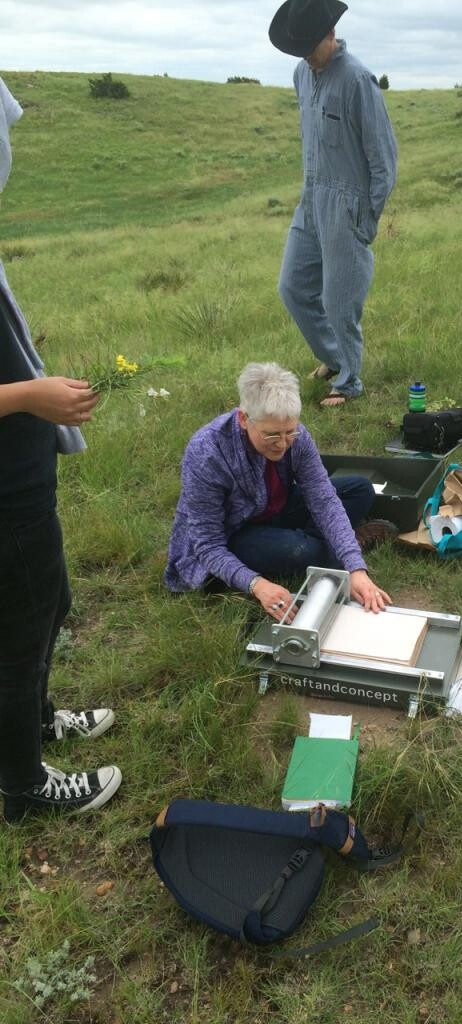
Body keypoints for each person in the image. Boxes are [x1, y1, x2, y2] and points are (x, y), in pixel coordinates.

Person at [0, 78, 122, 823]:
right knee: (17, 629)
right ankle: (22, 785)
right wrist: (28, 397)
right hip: (4, 485)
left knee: (49, 604)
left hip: (21, 469)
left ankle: (38, 720)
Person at [165, 362, 395, 617]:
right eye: (272, 435)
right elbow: (207, 544)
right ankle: (327, 549)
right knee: (300, 550)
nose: (283, 444)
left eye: (290, 432)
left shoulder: (299, 438)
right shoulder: (206, 453)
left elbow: (324, 499)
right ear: (244, 418)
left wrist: (355, 569)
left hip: (275, 507)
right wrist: (257, 585)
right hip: (235, 532)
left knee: (359, 489)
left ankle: (331, 551)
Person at [269, 0, 398, 408]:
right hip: (310, 199)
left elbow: (384, 159)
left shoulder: (359, 80)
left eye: (311, 46)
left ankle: (350, 381)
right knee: (292, 287)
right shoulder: (301, 75)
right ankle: (333, 356)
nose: (306, 56)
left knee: (340, 301)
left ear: (330, 34)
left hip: (348, 203)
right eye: (300, 49)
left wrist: (367, 216)